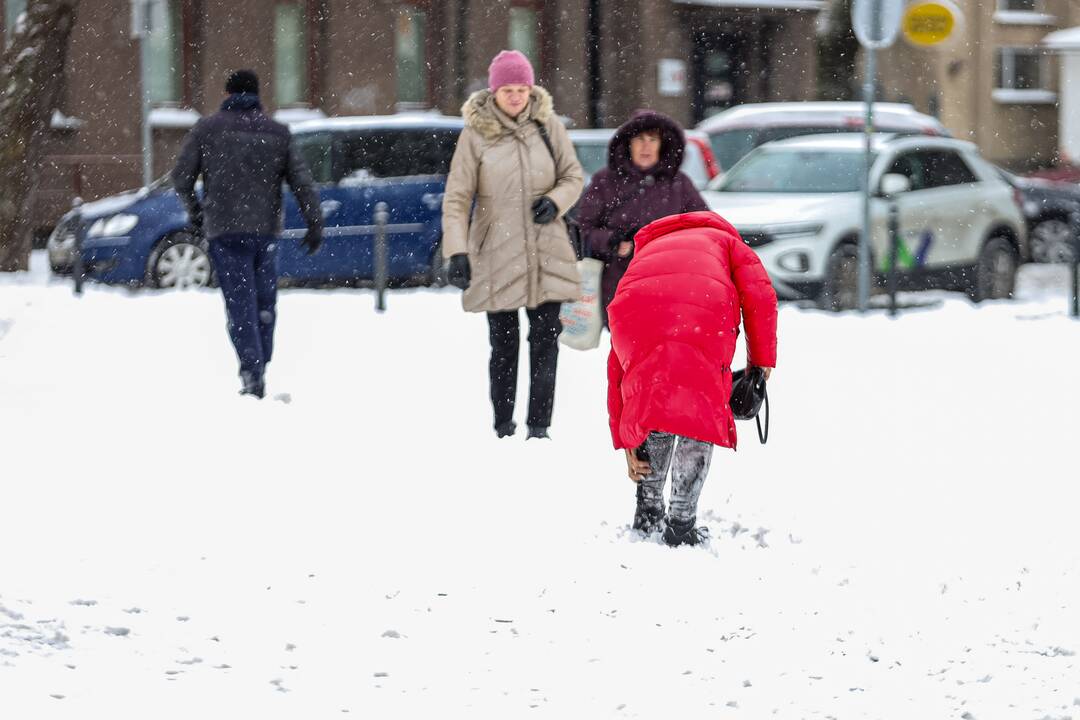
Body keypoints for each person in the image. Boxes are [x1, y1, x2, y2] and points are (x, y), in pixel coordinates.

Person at [606, 211, 778, 547]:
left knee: (651, 398)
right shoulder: (727, 242)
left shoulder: (648, 252)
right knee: (696, 408)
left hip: (637, 311)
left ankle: (648, 511)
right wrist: (761, 360)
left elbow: (617, 369)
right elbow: (761, 298)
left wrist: (626, 437)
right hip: (703, 311)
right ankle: (681, 524)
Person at [442, 50, 585, 439]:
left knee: (545, 343)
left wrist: (556, 201)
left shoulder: (548, 125)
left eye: (522, 88)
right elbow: (457, 197)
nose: (517, 96)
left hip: (547, 249)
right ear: (494, 91)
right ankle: (503, 426)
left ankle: (539, 427)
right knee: (503, 347)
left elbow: (573, 176)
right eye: (509, 89)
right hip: (495, 251)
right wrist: (456, 250)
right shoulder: (475, 134)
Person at [171, 69, 323, 398]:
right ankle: (260, 363)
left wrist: (197, 213)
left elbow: (181, 177)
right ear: (257, 95)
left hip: (224, 230)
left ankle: (252, 372)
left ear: (227, 94)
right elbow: (302, 182)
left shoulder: (206, 130)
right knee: (264, 301)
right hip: (264, 230)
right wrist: (315, 222)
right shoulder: (278, 132)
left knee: (240, 303)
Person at [576, 110, 708, 326]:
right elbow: (583, 230)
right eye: (639, 139)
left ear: (662, 144)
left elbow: (705, 226)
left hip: (669, 284)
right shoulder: (605, 181)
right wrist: (612, 241)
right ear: (628, 143)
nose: (646, 146)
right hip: (618, 285)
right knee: (626, 352)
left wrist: (676, 245)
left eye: (652, 139)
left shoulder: (679, 183)